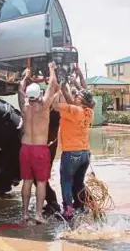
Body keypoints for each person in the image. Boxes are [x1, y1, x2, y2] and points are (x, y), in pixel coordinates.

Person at [18, 62, 58, 224]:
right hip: (40, 150)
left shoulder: (24, 106)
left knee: (27, 181)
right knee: (41, 183)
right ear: (39, 93)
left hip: (25, 148)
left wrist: (26, 76)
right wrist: (52, 70)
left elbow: (19, 89)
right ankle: (38, 215)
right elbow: (53, 84)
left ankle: (25, 214)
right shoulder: (44, 106)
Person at [53, 78, 95, 220]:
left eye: (77, 95)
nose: (75, 96)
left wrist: (60, 86)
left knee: (66, 181)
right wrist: (75, 84)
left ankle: (68, 211)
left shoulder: (73, 110)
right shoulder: (89, 111)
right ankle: (82, 206)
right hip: (85, 154)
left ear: (81, 100)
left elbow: (55, 105)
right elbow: (82, 100)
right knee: (78, 182)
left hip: (72, 153)